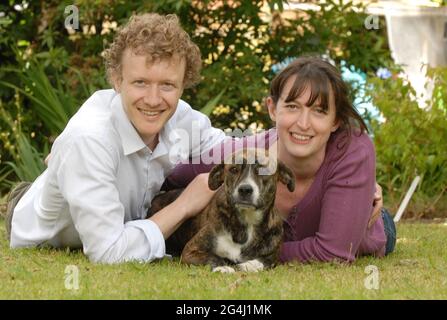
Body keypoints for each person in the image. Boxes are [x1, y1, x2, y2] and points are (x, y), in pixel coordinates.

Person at [5, 13, 226, 264]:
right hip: (44, 230)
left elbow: (232, 150)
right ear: (117, 80)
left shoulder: (182, 118)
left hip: (121, 212)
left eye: (167, 85)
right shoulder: (90, 138)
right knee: (78, 152)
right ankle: (28, 191)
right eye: (140, 82)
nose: (153, 100)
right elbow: (108, 252)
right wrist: (184, 205)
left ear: (183, 84)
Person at [164, 56, 396, 263]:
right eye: (292, 106)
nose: (303, 124)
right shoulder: (246, 154)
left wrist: (239, 255)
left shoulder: (353, 150)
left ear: (336, 120)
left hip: (365, 234)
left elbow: (334, 252)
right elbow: (168, 174)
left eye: (319, 111)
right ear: (273, 109)